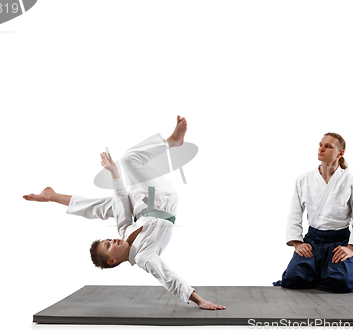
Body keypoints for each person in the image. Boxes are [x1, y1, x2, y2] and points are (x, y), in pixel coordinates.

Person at [24, 116, 225, 310]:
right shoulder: (144, 257)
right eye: (109, 246)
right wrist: (200, 301)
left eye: (107, 240)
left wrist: (113, 172)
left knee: (112, 204)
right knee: (128, 161)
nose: (112, 241)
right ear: (112, 261)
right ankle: (171, 142)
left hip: (144, 198)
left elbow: (120, 197)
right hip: (163, 200)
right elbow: (168, 277)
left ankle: (52, 196)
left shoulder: (124, 230)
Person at [273, 133, 353, 293]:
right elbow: (294, 213)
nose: (322, 148)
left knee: (342, 283)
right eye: (320, 145)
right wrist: (298, 243)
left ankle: (324, 272)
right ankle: (321, 272)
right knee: (293, 279)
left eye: (328, 146)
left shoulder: (352, 180)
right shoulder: (304, 179)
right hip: (313, 240)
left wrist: (351, 248)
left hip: (339, 241)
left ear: (340, 153)